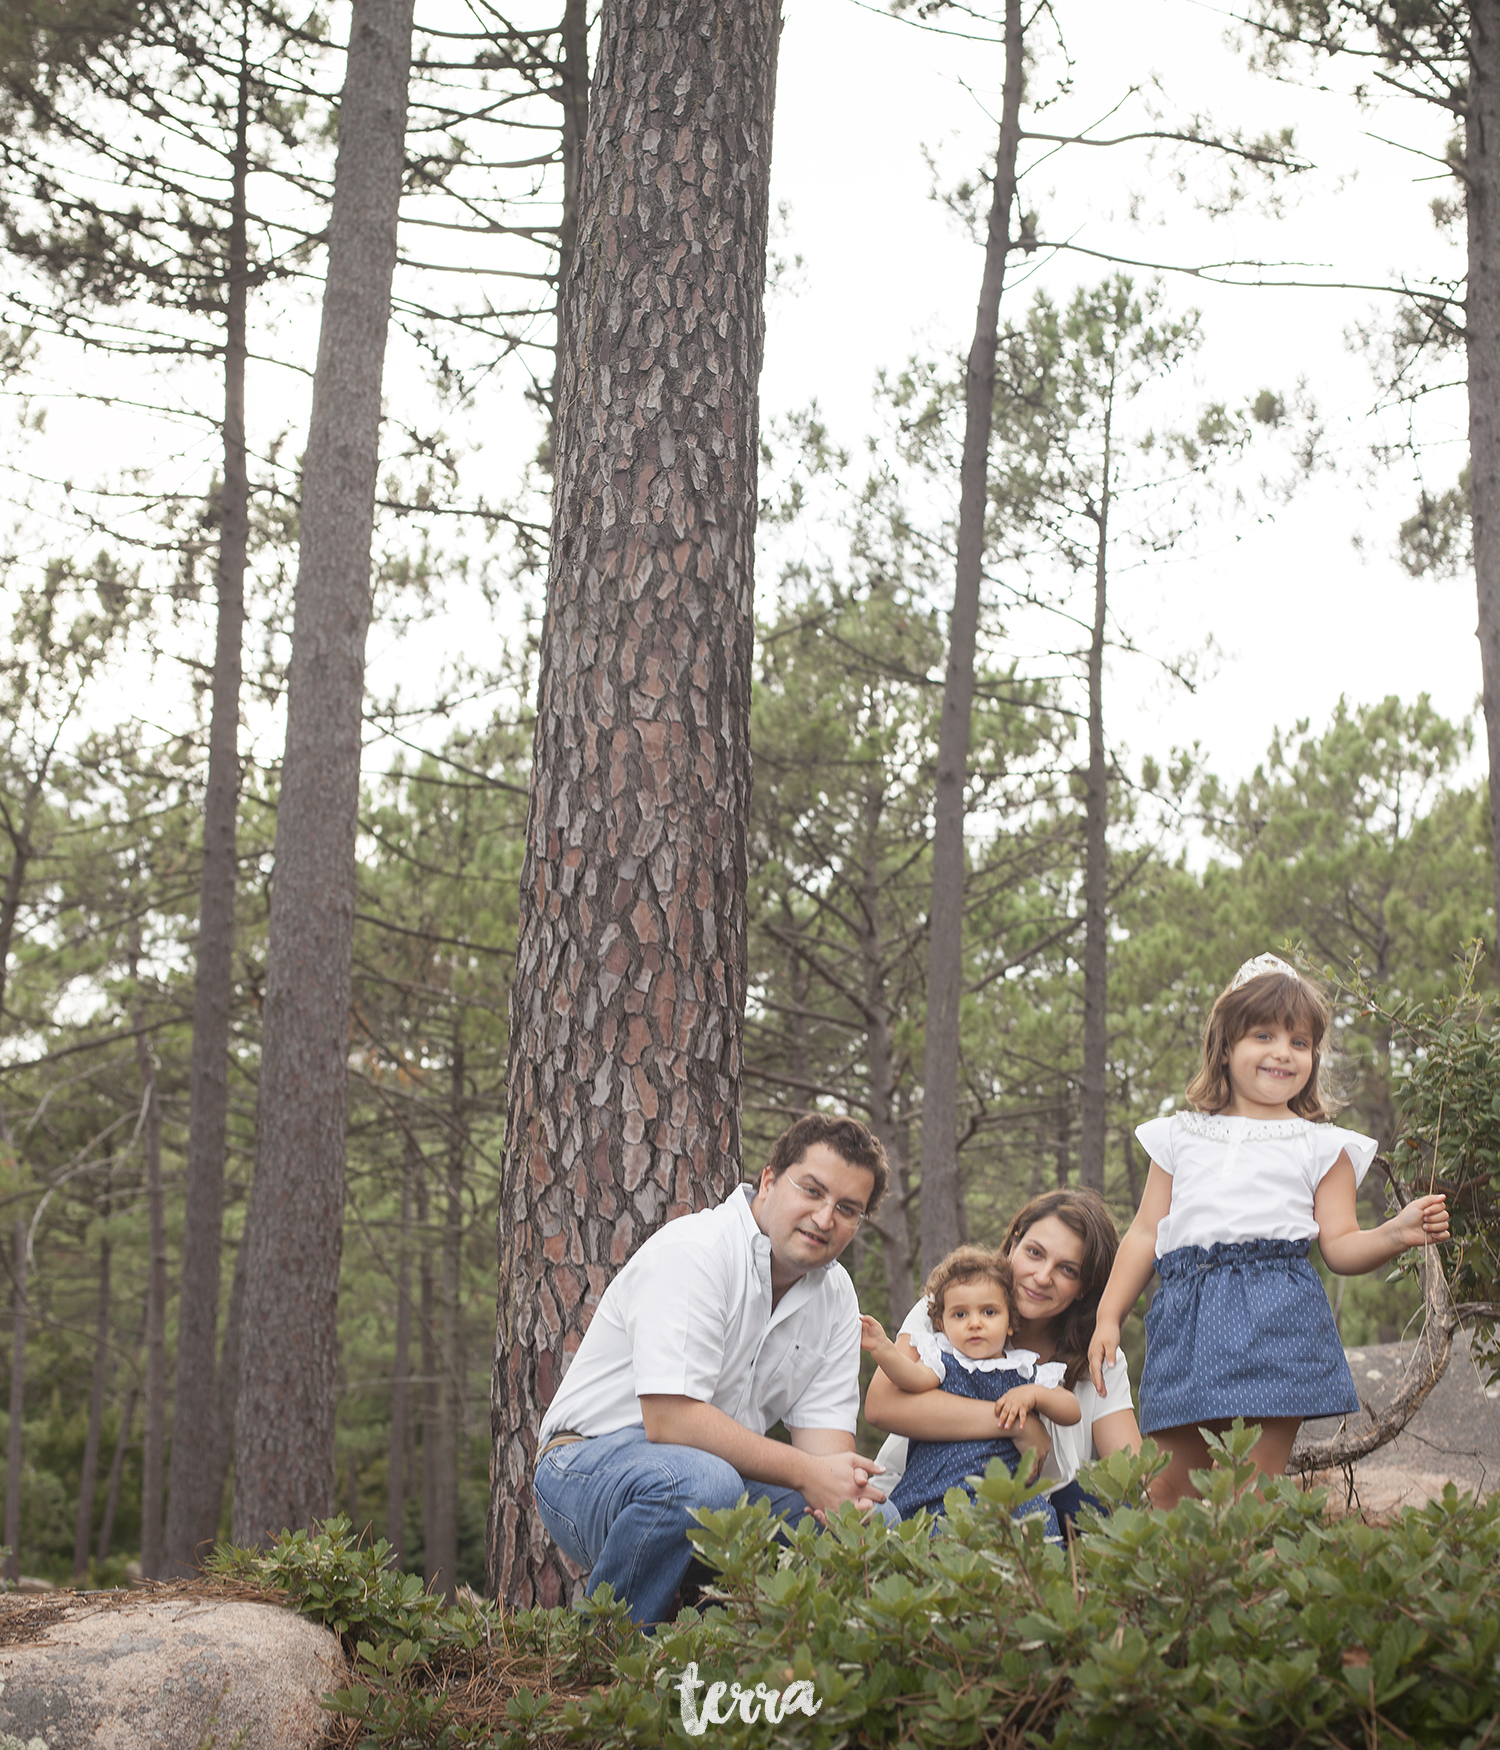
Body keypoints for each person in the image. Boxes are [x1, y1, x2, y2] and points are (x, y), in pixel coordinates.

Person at [1088, 952, 1451, 1508]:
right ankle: (1176, 1593)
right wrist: (1109, 1315)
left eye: (1300, 1042)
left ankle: (1248, 1590)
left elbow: (1341, 1247)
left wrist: (1395, 1233)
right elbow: (1143, 1233)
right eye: (1264, 1035)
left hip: (1277, 1322)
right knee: (1167, 1490)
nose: (1283, 1052)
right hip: (1186, 1320)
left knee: (1248, 1494)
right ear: (1227, 1045)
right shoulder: (1180, 1135)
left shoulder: (1321, 1145)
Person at [530, 1112, 892, 1625]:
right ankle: (604, 1662)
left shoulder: (835, 1298)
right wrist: (811, 1474)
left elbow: (825, 1460)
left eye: (847, 1208)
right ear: (769, 1180)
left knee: (876, 1520)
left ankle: (768, 1668)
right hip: (587, 1463)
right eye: (812, 1190)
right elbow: (671, 1421)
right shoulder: (696, 1250)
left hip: (720, 1480)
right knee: (700, 1485)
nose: (825, 1217)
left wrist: (843, 1499)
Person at [867, 1189, 1140, 1530]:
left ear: (1084, 1287)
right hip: (928, 1492)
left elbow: (1131, 1471)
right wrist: (1019, 1424)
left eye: (1068, 1270)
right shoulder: (948, 1309)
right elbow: (881, 1406)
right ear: (1012, 1244)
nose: (1042, 1277)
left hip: (1036, 1511)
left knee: (1092, 1499)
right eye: (1034, 1252)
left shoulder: (1095, 1353)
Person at [860, 1245, 1080, 1534]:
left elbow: (1071, 1410)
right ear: (941, 1324)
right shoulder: (942, 1360)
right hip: (937, 1490)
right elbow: (910, 1378)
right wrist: (883, 1349)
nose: (975, 1323)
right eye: (960, 1315)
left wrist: (1036, 1395)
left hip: (1003, 1497)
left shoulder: (1024, 1370)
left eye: (989, 1312)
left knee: (1032, 1531)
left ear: (1011, 1322)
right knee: (930, 1542)